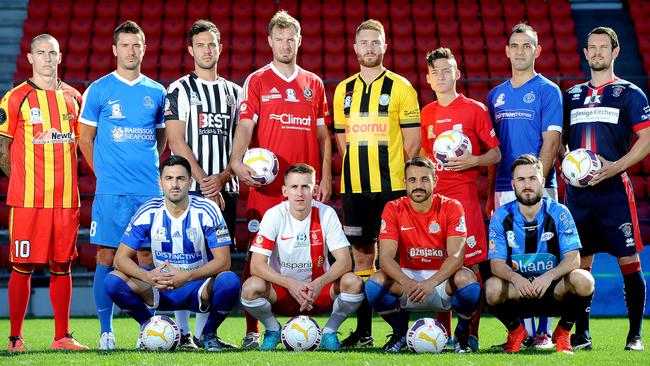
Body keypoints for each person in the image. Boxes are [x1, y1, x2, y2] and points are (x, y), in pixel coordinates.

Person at [228, 10, 332, 348]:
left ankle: (315, 326)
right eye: (280, 39)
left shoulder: (313, 83)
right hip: (268, 191)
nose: (286, 44)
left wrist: (327, 175)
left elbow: (323, 137)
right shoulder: (257, 81)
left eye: (291, 39)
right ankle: (252, 331)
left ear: (299, 41)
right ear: (270, 41)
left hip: (306, 190)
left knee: (312, 256)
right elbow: (244, 127)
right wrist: (235, 159)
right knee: (257, 259)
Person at [332, 19, 421, 348]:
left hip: (392, 189)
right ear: (355, 48)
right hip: (355, 189)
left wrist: (400, 182)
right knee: (362, 261)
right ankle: (365, 332)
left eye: (376, 42)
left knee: (391, 259)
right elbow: (342, 141)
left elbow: (413, 145)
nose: (369, 48)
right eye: (364, 43)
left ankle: (400, 329)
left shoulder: (401, 87)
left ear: (385, 46)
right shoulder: (343, 89)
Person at [78, 20, 167, 350]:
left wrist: (144, 168)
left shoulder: (157, 92)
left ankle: (150, 328)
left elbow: (159, 140)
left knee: (147, 258)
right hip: (111, 192)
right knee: (106, 255)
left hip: (148, 191)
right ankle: (106, 331)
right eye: (125, 45)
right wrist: (103, 173)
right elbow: (84, 139)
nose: (132, 51)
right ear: (115, 49)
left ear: (144, 48)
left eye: (137, 45)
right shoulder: (99, 89)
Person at [562, 27, 650, 351]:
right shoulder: (571, 95)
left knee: (628, 261)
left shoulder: (630, 94)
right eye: (592, 47)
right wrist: (565, 163)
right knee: (581, 265)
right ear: (585, 53)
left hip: (614, 192)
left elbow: (648, 138)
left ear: (615, 52)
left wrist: (615, 167)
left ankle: (635, 336)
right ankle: (582, 335)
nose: (597, 52)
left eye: (603, 47)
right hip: (578, 196)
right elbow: (560, 143)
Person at [0, 33, 88, 351]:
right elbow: (3, 149)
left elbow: (84, 145)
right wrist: (23, 181)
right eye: (42, 53)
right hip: (27, 203)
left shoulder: (74, 98)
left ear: (60, 57)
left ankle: (62, 337)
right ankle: (15, 339)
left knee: (62, 266)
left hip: (65, 201)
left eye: (53, 53)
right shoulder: (15, 98)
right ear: (31, 58)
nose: (48, 58)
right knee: (21, 267)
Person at [104, 155, 240, 351]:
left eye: (180, 178)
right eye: (169, 178)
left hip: (197, 286)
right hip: (160, 286)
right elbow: (120, 259)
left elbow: (224, 262)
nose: (174, 184)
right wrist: (147, 276)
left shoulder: (207, 210)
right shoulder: (148, 211)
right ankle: (148, 327)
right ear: (160, 183)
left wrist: (187, 276)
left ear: (190, 182)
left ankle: (208, 334)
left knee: (230, 281)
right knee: (112, 281)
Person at [165, 19, 242, 350]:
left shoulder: (235, 93)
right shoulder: (179, 89)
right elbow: (175, 140)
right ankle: (181, 333)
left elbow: (240, 145)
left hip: (227, 190)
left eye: (212, 44)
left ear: (220, 48)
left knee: (215, 259)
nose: (207, 50)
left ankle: (202, 333)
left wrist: (222, 179)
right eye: (201, 45)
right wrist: (203, 181)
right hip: (189, 189)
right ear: (191, 50)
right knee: (184, 256)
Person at [486, 23, 563, 348]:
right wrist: (493, 192)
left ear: (537, 50)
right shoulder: (495, 95)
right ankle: (521, 332)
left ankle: (543, 332)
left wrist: (536, 186)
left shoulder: (548, 90)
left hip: (539, 188)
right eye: (515, 45)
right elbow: (493, 150)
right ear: (507, 51)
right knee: (515, 261)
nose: (520, 51)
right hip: (504, 186)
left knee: (543, 258)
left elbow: (551, 142)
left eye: (526, 45)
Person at [419, 47, 501, 351]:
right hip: (436, 203)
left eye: (446, 70)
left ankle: (471, 333)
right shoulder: (427, 113)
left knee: (471, 267)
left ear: (457, 73)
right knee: (440, 267)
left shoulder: (475, 109)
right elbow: (427, 158)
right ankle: (443, 333)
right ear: (428, 79)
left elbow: (496, 153)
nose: (441, 76)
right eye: (435, 72)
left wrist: (473, 160)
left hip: (465, 200)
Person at [240, 164, 364, 351]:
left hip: (317, 292)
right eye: (294, 187)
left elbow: (345, 261)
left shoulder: (326, 213)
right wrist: (290, 283)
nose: (300, 193)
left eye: (305, 187)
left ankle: (329, 331)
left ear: (314, 190)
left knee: (353, 283)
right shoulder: (274, 215)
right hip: (282, 292)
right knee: (250, 287)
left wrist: (318, 284)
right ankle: (273, 329)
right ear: (285, 190)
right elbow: (256, 266)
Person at [365, 157, 481, 353]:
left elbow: (456, 257)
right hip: (407, 281)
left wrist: (431, 282)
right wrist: (407, 282)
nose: (418, 186)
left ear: (435, 180)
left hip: (442, 282)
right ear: (405, 183)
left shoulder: (452, 206)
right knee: (374, 283)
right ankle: (400, 332)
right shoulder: (393, 208)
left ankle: (461, 335)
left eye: (424, 180)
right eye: (412, 180)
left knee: (468, 279)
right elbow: (385, 258)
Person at [486, 154, 595, 354]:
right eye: (521, 179)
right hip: (519, 291)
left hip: (553, 290)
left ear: (542, 181)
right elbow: (496, 264)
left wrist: (548, 276)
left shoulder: (560, 212)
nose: (527, 185)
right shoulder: (501, 216)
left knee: (584, 280)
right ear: (513, 184)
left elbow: (574, 259)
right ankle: (516, 331)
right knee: (491, 288)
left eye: (532, 178)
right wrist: (516, 279)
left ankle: (563, 332)